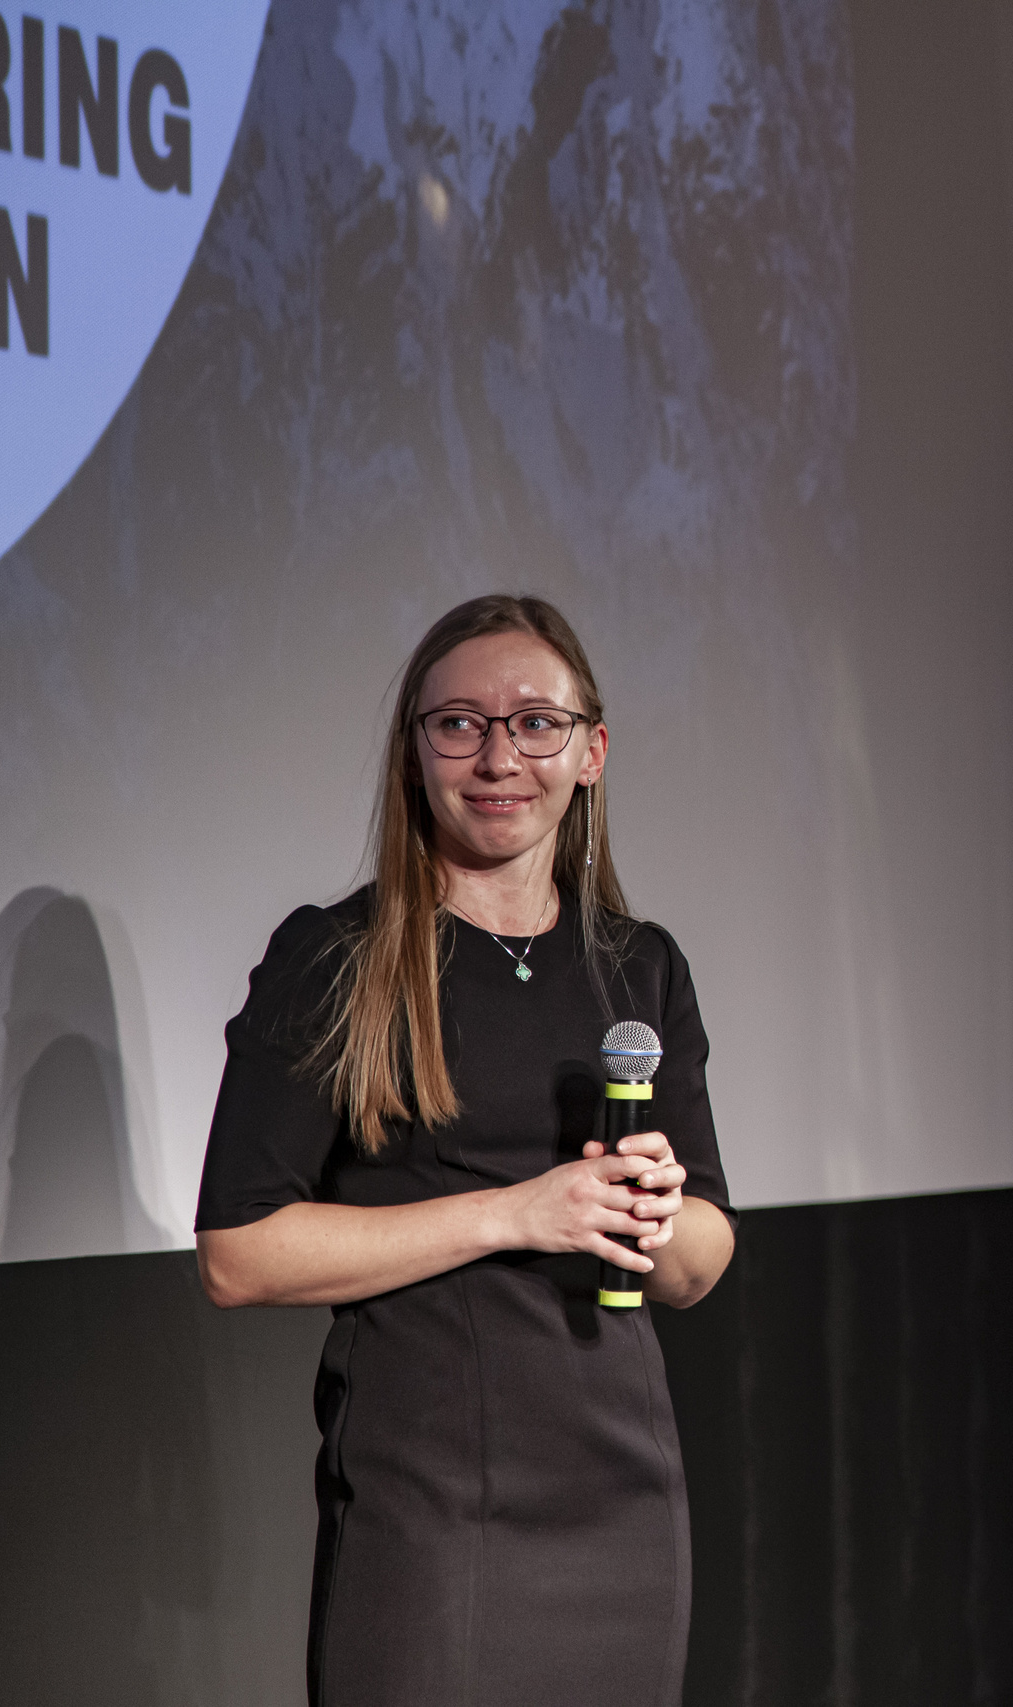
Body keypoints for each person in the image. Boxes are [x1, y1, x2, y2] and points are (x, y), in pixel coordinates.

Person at [194, 594, 737, 1707]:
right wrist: (514, 1212)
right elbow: (238, 1255)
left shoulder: (641, 967)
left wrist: (660, 1214)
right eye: (459, 724)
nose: (498, 756)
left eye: (535, 723)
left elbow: (696, 1270)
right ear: (417, 752)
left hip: (623, 1493)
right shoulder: (336, 957)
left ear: (590, 753)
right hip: (430, 1498)